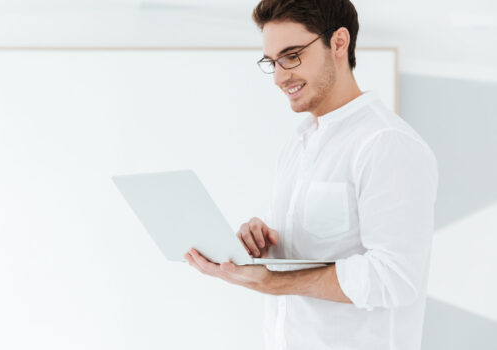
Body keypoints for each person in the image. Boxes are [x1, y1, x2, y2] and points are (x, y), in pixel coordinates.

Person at [183, 0, 439, 349]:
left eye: (292, 55)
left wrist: (273, 283)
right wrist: (265, 246)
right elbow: (313, 253)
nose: (279, 77)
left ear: (338, 43)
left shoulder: (386, 143)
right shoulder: (298, 143)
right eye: (272, 62)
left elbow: (395, 278)